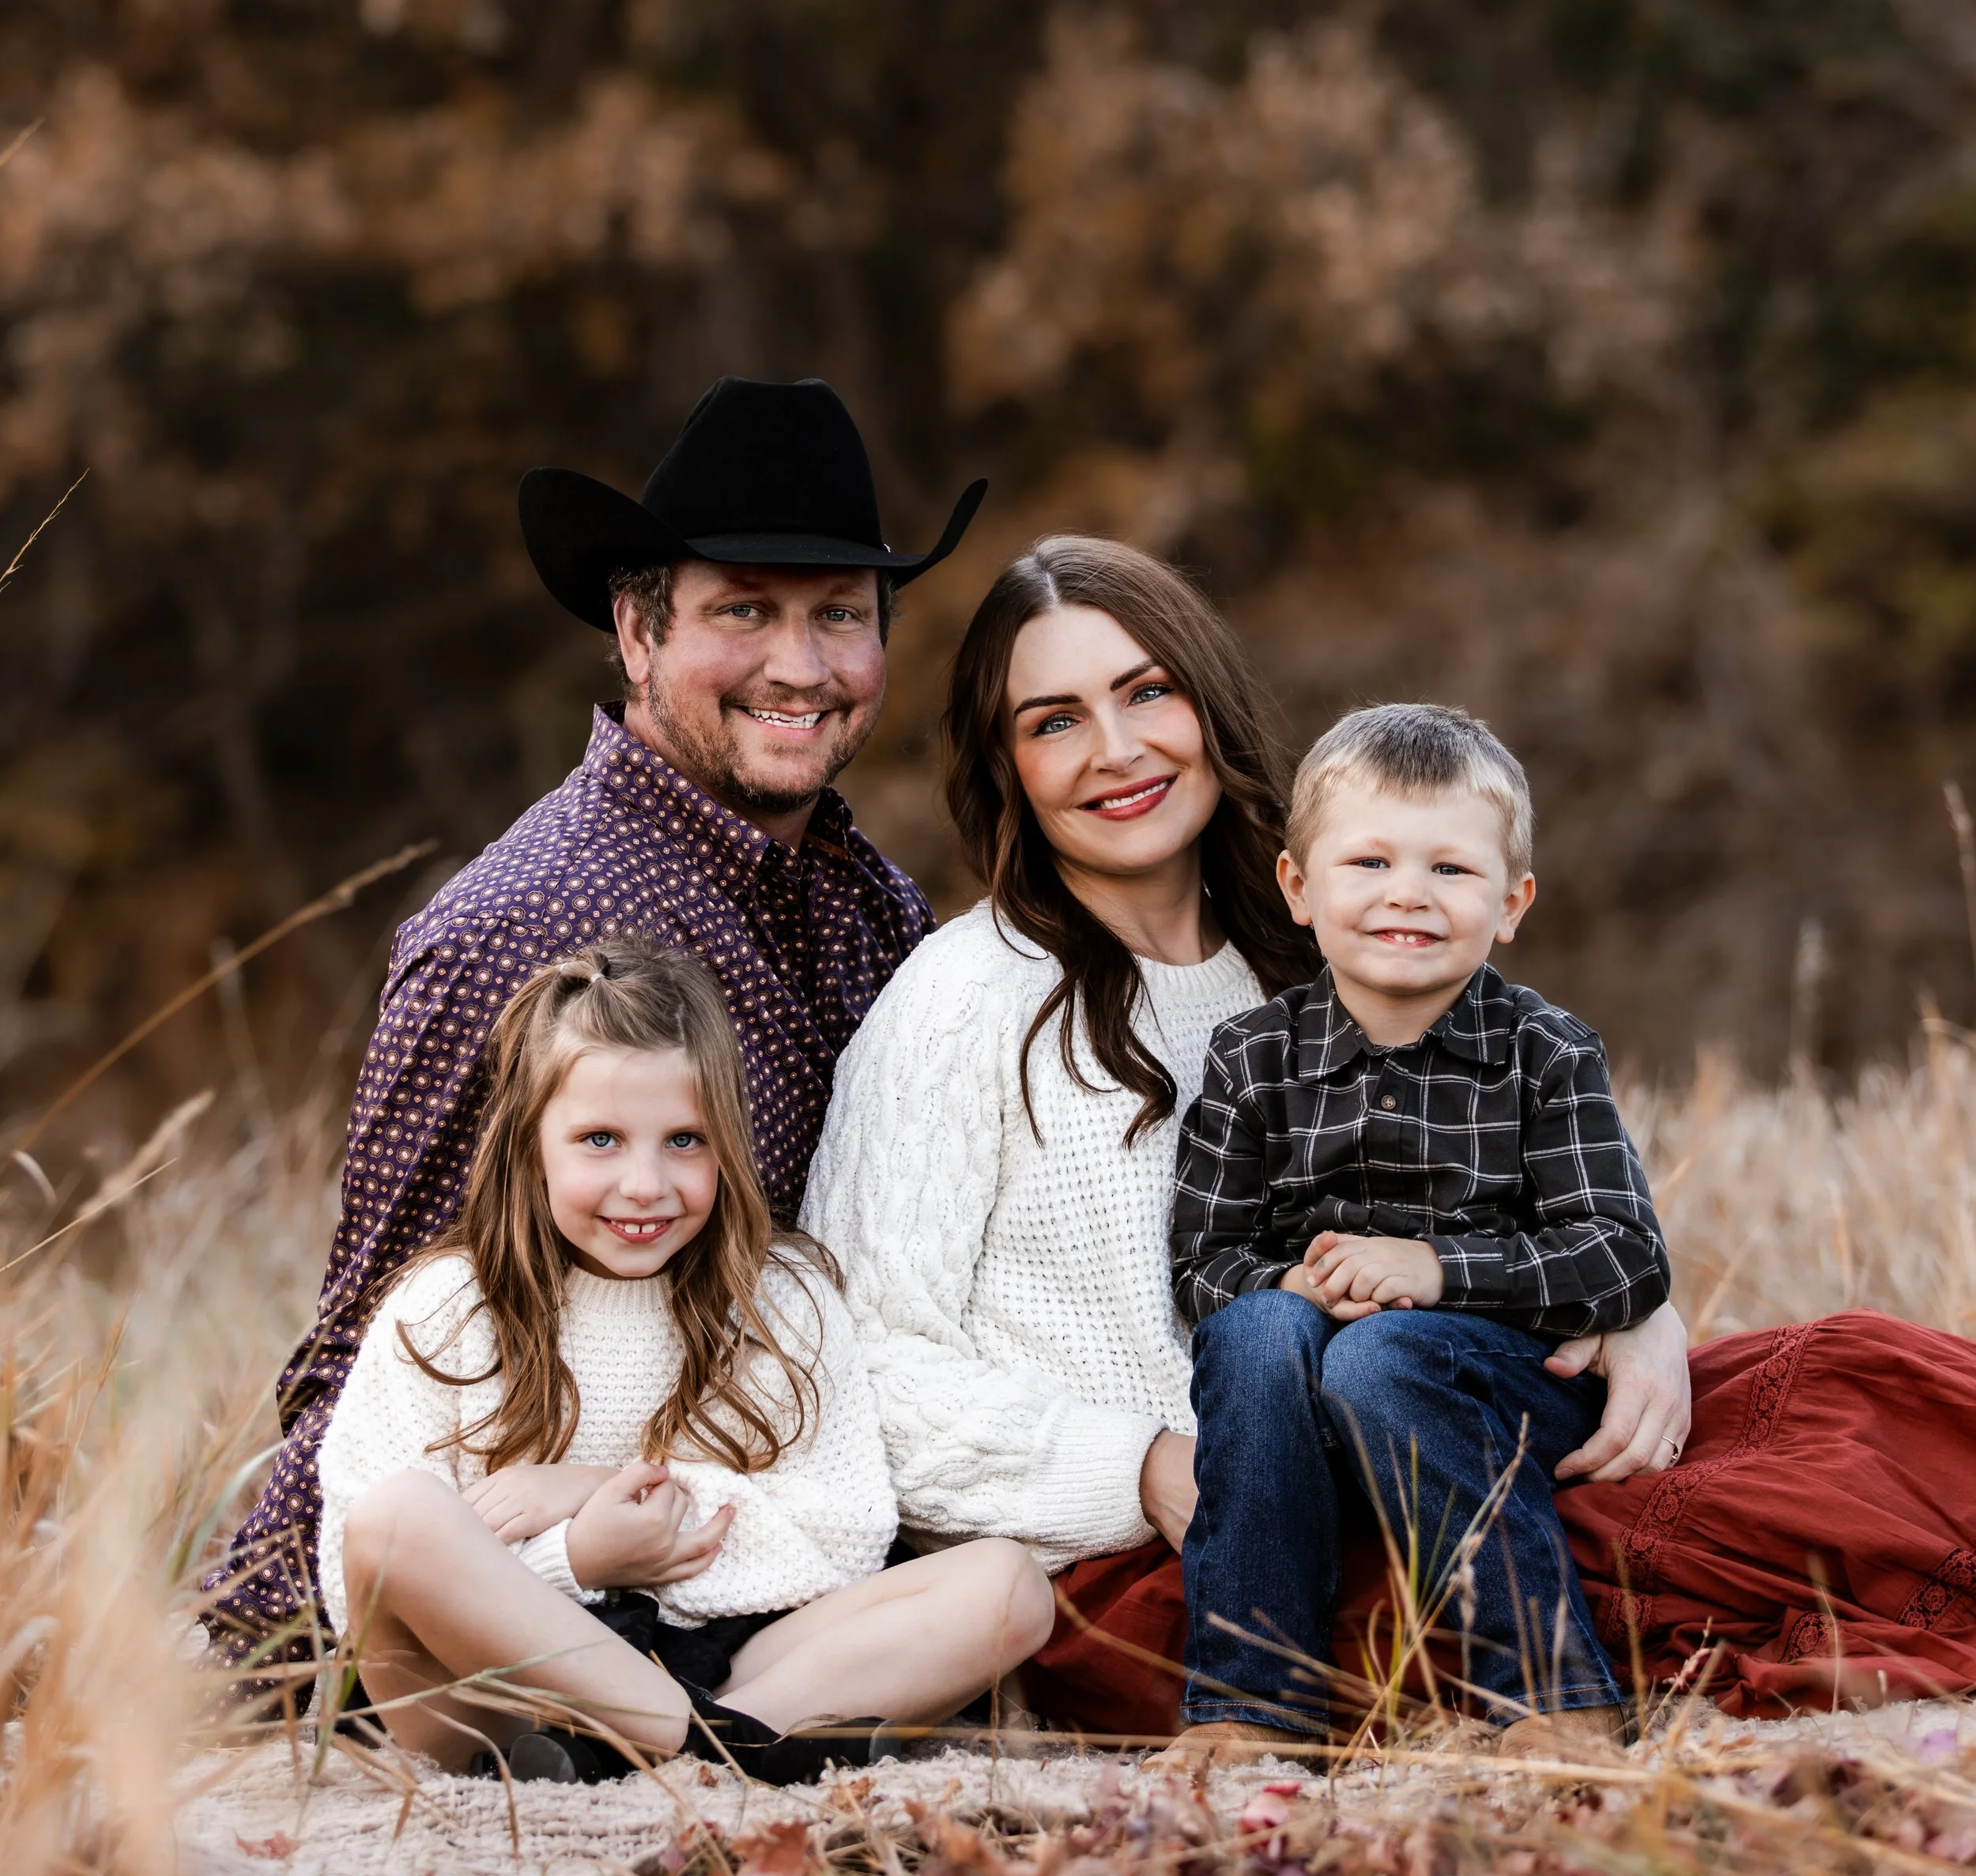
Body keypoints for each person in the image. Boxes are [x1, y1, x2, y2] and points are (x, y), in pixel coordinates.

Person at [803, 540, 1691, 1739]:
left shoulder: (1321, 954)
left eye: (1148, 691)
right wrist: (1142, 1464)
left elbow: (1535, 1180)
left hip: (1433, 1466)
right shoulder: (963, 999)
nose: (1118, 750)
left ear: (1208, 704)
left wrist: (1645, 1320)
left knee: (1842, 1423)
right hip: (1182, 1560)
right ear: (1007, 766)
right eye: (1055, 719)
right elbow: (859, 1372)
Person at [206, 375, 986, 1671]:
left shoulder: (870, 903)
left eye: (838, 617)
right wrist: (280, 1636)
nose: (801, 667)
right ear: (635, 631)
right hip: (511, 1611)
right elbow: (370, 1332)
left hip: (784, 1554)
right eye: (743, 611)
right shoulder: (526, 922)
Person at [321, 941, 1052, 1784]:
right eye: (599, 1139)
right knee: (394, 1516)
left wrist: (595, 1487)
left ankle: (633, 1757)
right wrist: (579, 1560)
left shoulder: (782, 1298)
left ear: (727, 1145)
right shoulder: (446, 1307)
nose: (644, 1183)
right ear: (530, 1147)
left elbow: (844, 1536)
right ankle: (717, 1753)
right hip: (498, 1698)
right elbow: (364, 1586)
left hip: (735, 1663)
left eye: (683, 1140)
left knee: (1008, 1587)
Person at [1171, 703, 1672, 1761]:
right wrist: (1297, 1289)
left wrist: (1437, 1270)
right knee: (1260, 1333)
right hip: (1306, 1378)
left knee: (1388, 1350)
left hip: (1498, 1377)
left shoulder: (1548, 1053)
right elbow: (1206, 1265)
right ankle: (1251, 1707)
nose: (1407, 892)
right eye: (1368, 861)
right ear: (1299, 888)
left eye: (1451, 869)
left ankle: (1550, 1699)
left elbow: (1624, 1256)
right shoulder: (1251, 1058)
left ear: (1512, 902)